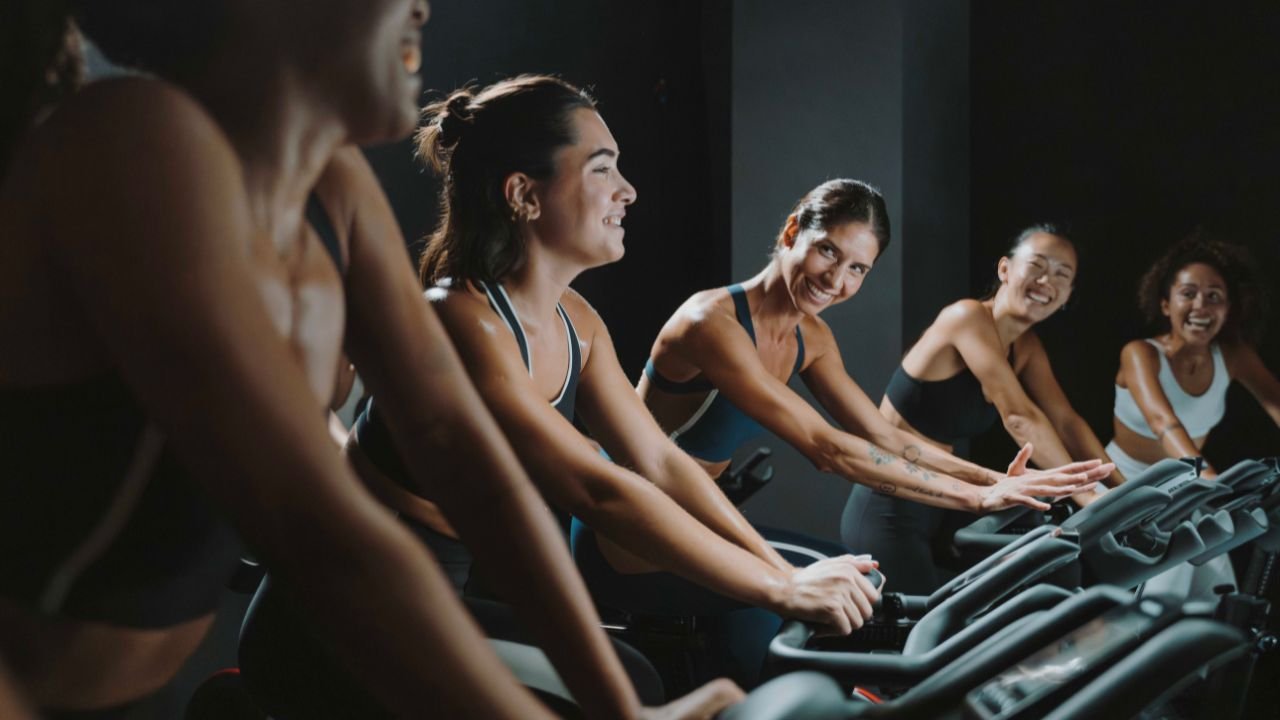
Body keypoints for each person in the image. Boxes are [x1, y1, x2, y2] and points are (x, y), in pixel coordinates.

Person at [0, 2, 736, 718]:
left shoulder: (333, 183)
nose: (419, 7)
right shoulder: (135, 137)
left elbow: (461, 453)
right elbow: (318, 518)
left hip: (130, 685)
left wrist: (620, 707)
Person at [347, 76, 882, 687]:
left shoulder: (578, 323)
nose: (627, 191)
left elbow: (658, 460)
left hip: (437, 591)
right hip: (354, 604)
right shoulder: (462, 320)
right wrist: (778, 586)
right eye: (603, 170)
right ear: (524, 194)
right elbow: (597, 489)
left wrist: (776, 571)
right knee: (633, 685)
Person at [641, 185, 1108, 597]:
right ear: (790, 233)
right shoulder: (711, 323)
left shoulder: (813, 338)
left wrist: (995, 482)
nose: (836, 279)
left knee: (865, 595)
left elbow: (885, 437)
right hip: (642, 524)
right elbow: (828, 448)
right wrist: (978, 495)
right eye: (827, 251)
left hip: (698, 521)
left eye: (857, 268)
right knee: (838, 607)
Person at [841, 223, 1125, 592]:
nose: (1045, 281)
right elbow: (1020, 418)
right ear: (1005, 269)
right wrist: (1084, 494)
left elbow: (1067, 422)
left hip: (948, 503)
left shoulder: (1025, 348)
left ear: (1068, 294)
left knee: (1055, 569)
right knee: (920, 637)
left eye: (1061, 274)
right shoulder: (966, 317)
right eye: (1036, 265)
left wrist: (1120, 487)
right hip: (890, 504)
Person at [1111, 232, 1279, 597]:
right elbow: (1164, 422)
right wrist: (1213, 484)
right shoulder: (1140, 353)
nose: (1201, 306)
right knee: (1159, 597)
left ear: (1228, 308)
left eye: (1213, 297)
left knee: (1216, 598)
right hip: (1126, 486)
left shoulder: (1233, 355)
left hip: (1191, 489)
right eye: (1188, 294)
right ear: (1166, 304)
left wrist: (1207, 488)